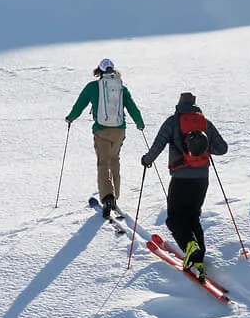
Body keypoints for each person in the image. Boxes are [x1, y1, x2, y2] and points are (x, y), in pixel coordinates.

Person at [141, 92, 228, 275]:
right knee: (193, 217)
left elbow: (158, 145)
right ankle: (198, 259)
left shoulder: (172, 122)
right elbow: (222, 149)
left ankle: (190, 246)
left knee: (174, 218)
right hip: (202, 179)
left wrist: (147, 160)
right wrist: (203, 147)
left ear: (178, 105)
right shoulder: (205, 123)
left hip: (181, 178)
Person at [64, 57, 144, 215]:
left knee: (103, 163)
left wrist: (70, 118)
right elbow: (132, 106)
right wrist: (139, 122)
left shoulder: (93, 87)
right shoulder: (121, 87)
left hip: (101, 130)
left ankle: (108, 197)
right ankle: (115, 195)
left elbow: (80, 105)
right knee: (114, 160)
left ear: (99, 71)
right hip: (120, 131)